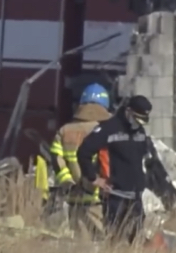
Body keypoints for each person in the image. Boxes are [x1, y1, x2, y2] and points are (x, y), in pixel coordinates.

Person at [76, 95, 157, 244]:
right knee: (116, 241)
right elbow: (84, 152)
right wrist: (93, 178)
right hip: (116, 197)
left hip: (136, 198)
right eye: (136, 119)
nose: (137, 124)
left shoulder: (139, 132)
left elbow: (144, 159)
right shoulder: (109, 129)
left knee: (136, 242)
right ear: (128, 111)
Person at [49, 83, 113, 240]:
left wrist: (67, 182)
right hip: (98, 200)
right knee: (105, 245)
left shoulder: (65, 130)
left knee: (81, 247)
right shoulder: (106, 129)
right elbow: (108, 162)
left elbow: (56, 159)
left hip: (74, 199)